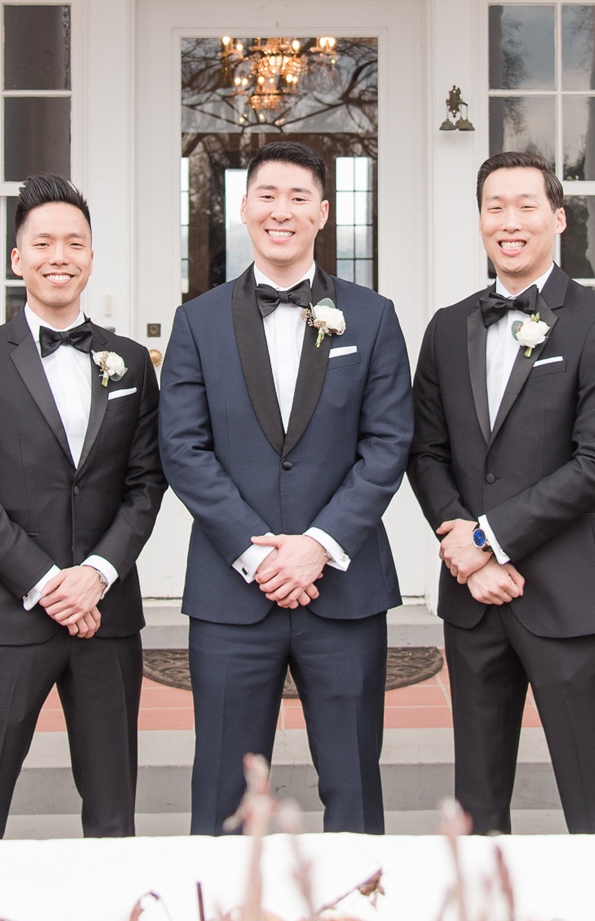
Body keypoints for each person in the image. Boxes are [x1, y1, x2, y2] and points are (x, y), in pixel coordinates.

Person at [157, 139, 413, 835]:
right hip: (231, 591)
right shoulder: (197, 321)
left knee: (355, 782)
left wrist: (319, 546)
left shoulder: (375, 316)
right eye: (267, 195)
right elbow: (183, 448)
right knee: (224, 791)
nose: (282, 210)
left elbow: (387, 445)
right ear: (242, 207)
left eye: (299, 197)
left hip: (344, 591)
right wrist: (259, 552)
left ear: (324, 213)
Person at [409, 149, 595, 834]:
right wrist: (460, 543)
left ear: (558, 218)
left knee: (593, 793)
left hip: (567, 593)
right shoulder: (449, 327)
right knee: (477, 799)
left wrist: (487, 538)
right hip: (474, 599)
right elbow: (426, 451)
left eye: (526, 206)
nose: (509, 222)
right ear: (480, 219)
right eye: (494, 207)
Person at [0, 174, 166, 839]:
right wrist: (47, 582)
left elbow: (146, 483)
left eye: (74, 242)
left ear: (91, 256)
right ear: (17, 258)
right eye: (43, 243)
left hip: (107, 617)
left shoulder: (128, 361)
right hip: (9, 615)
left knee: (112, 807)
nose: (58, 255)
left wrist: (96, 572)